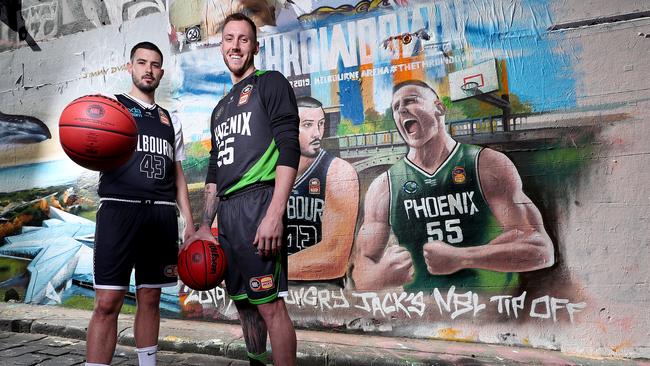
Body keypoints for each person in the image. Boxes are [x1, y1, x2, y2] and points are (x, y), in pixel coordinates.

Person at [351, 80, 554, 292]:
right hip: (425, 315)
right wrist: (379, 276)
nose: (402, 109)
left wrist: (461, 258)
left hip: (497, 311)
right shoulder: (384, 186)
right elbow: (361, 271)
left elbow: (541, 250)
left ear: (439, 107)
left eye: (411, 100)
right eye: (395, 107)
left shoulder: (486, 164)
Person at [187, 13, 298, 366]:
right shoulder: (220, 109)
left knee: (270, 306)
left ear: (254, 47)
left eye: (243, 39)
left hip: (259, 204)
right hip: (229, 215)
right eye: (229, 39)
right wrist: (206, 225)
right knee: (245, 304)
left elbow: (289, 148)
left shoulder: (271, 83)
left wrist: (274, 215)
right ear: (221, 46)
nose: (235, 46)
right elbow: (215, 170)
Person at [85, 42, 195, 366]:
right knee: (107, 301)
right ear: (129, 67)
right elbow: (91, 150)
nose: (149, 69)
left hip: (160, 216)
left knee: (151, 297)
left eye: (155, 64)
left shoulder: (170, 120)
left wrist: (188, 221)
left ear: (161, 72)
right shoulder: (112, 109)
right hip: (119, 209)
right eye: (142, 62)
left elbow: (178, 176)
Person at [286, 96, 358, 285]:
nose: (317, 133)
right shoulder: (263, 173)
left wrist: (260, 271)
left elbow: (334, 259)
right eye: (308, 125)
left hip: (322, 293)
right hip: (270, 291)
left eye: (321, 124)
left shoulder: (338, 172)